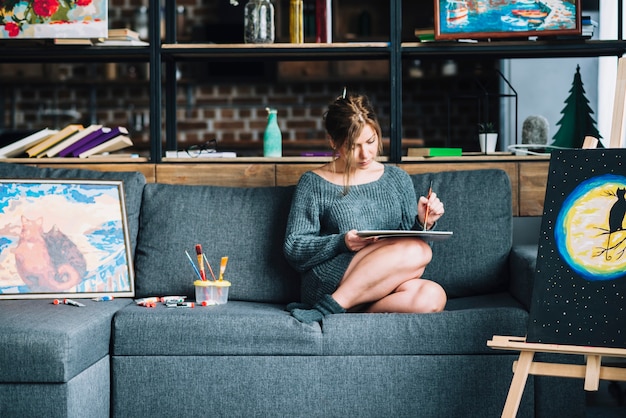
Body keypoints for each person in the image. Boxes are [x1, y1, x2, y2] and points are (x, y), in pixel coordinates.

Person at [283, 91, 447, 324]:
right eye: (353, 146)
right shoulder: (314, 182)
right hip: (332, 278)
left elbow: (405, 241)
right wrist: (342, 242)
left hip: (382, 284)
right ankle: (330, 304)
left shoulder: (397, 179)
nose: (365, 154)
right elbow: (294, 247)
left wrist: (423, 222)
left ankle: (342, 311)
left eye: (370, 141)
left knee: (432, 297)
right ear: (333, 141)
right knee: (420, 251)